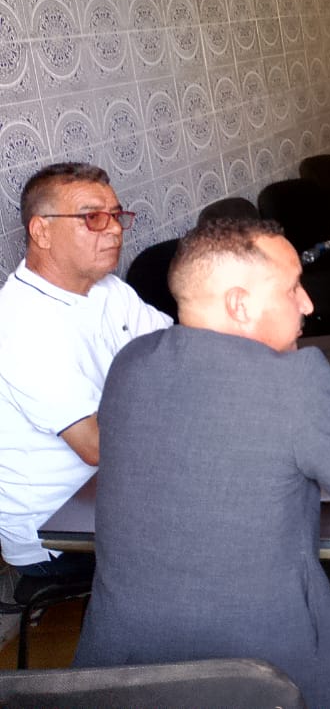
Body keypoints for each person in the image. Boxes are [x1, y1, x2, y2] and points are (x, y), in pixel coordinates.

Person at [74, 218, 330, 709]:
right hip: (266, 681)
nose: (308, 304)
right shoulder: (298, 382)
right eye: (292, 288)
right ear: (239, 305)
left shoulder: (131, 363)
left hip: (122, 681)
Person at [0, 163, 171, 577]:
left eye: (115, 215)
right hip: (59, 532)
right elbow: (96, 445)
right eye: (92, 218)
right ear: (41, 231)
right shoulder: (21, 323)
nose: (113, 230)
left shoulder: (107, 288)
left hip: (119, 486)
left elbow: (176, 355)